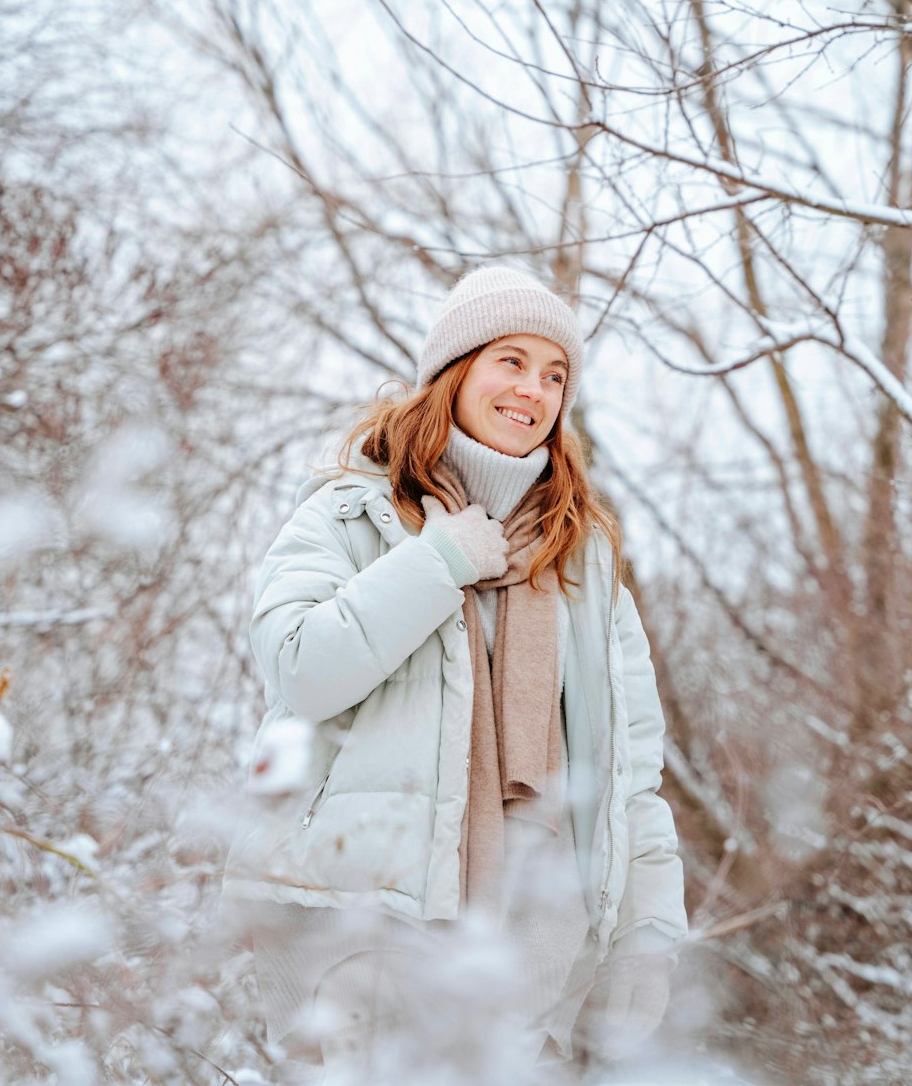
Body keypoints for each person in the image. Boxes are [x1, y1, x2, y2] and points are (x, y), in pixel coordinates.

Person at [223, 266, 688, 1081]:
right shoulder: (353, 514)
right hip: (365, 933)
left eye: (554, 375)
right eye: (510, 360)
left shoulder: (583, 561)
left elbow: (631, 778)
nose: (533, 389)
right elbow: (301, 670)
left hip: (539, 955)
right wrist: (439, 560)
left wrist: (649, 938)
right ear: (456, 370)